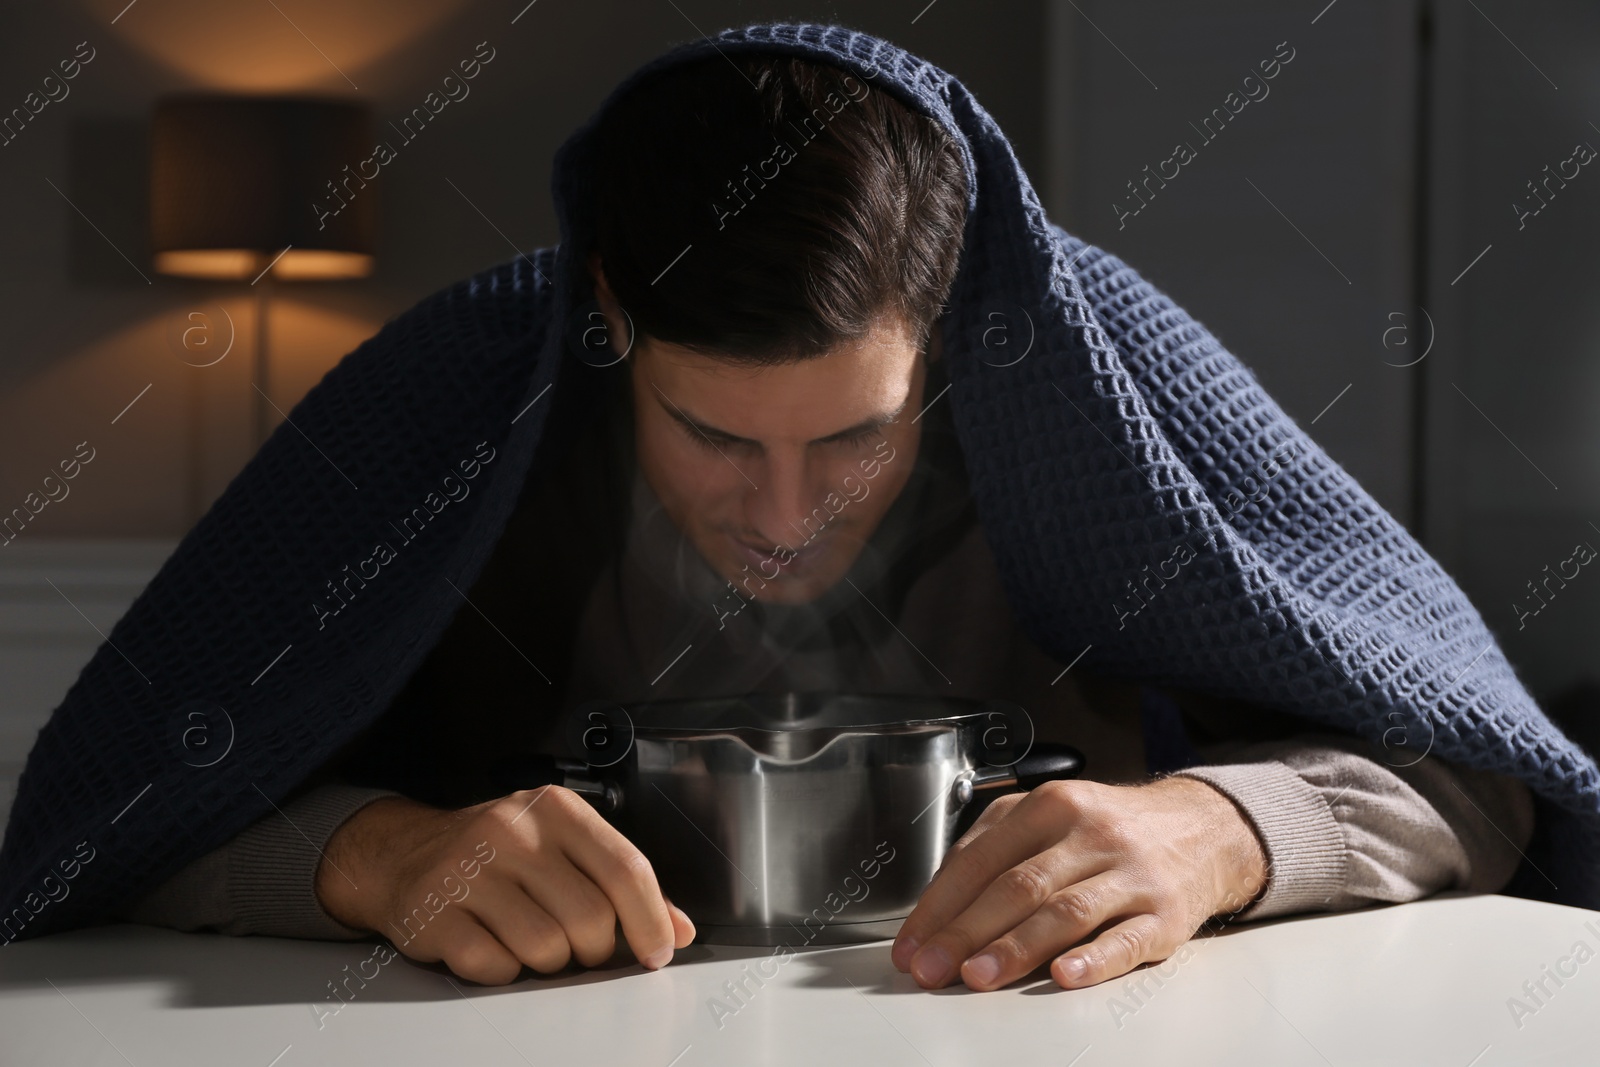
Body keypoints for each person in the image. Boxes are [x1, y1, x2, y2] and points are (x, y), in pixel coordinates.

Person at [99, 45, 1536, 995]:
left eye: (854, 437)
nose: (783, 518)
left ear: (954, 332)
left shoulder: (1102, 379)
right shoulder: (452, 405)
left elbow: (1479, 776)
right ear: (609, 319)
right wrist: (380, 855)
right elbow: (124, 814)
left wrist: (1221, 829)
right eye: (715, 436)